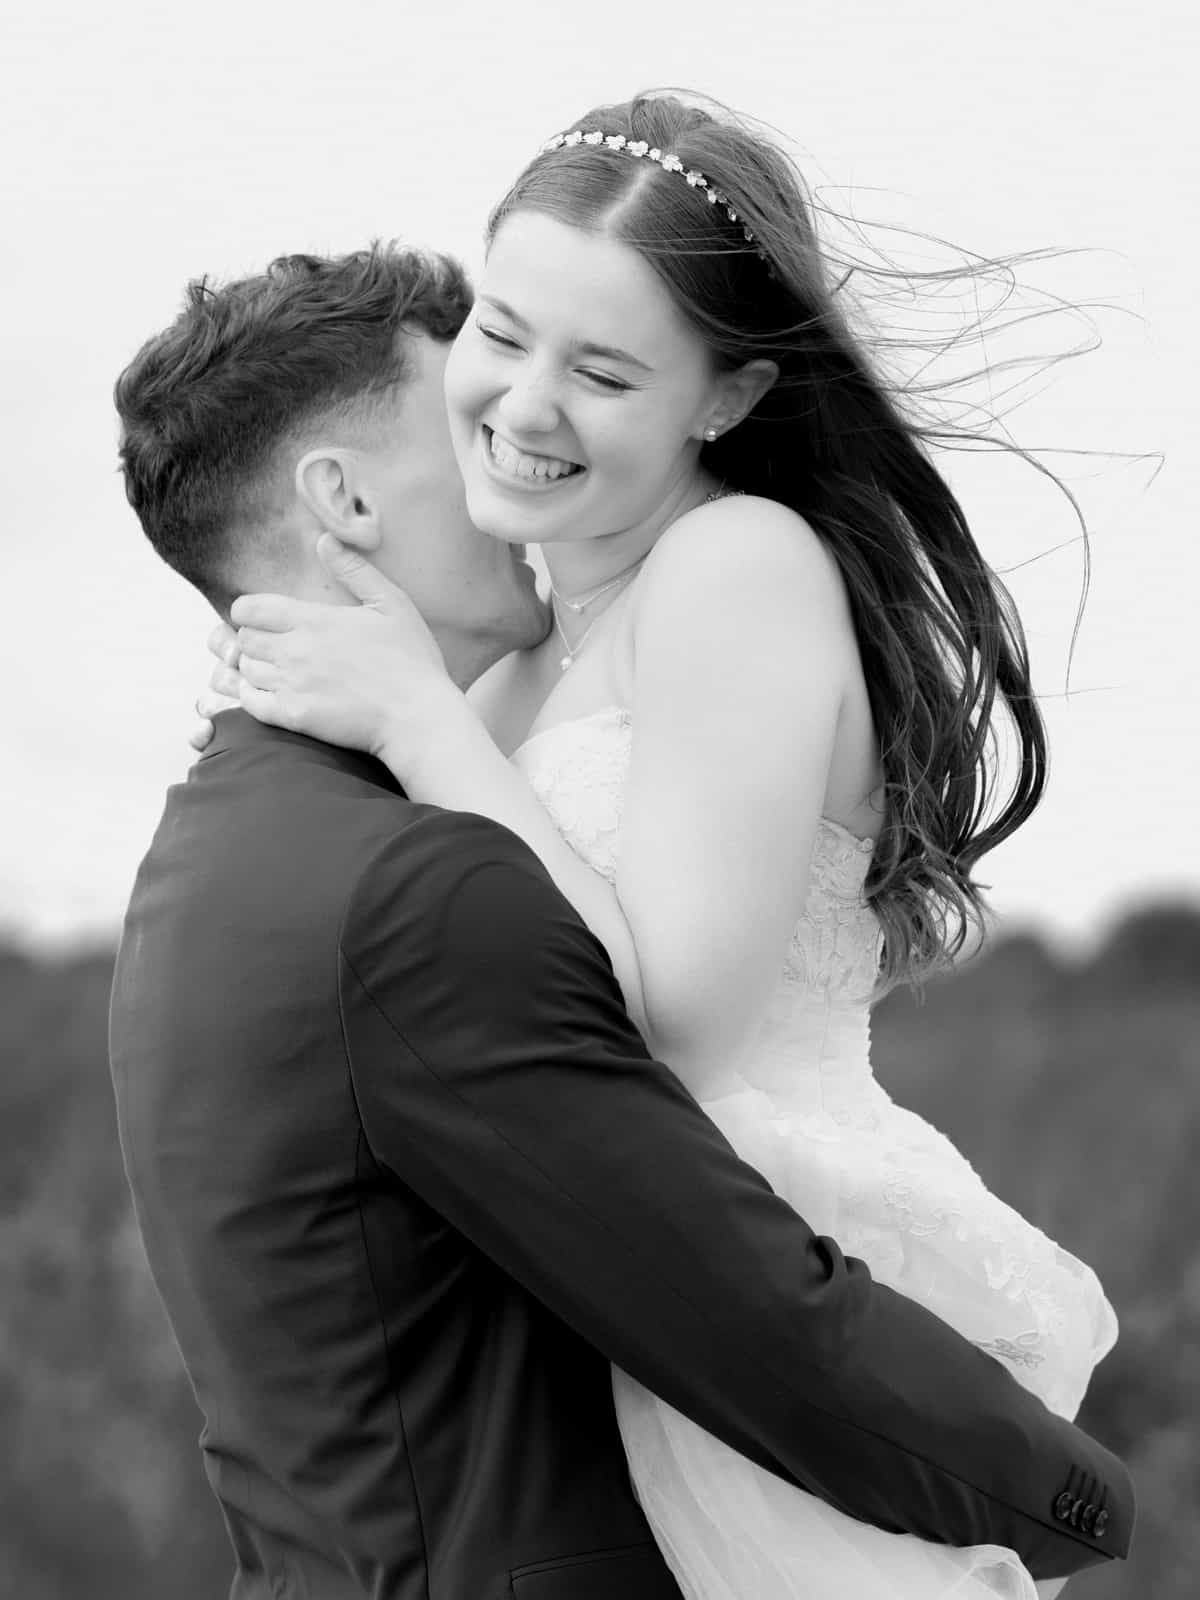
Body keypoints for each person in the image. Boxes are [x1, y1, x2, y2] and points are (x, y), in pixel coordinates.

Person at [191, 96, 1127, 1599]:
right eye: (502, 333)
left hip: (765, 1306)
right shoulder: (513, 657)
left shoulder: (734, 566)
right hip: (610, 1317)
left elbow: (677, 1020)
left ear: (726, 398)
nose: (525, 405)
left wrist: (423, 726)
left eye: (604, 372)